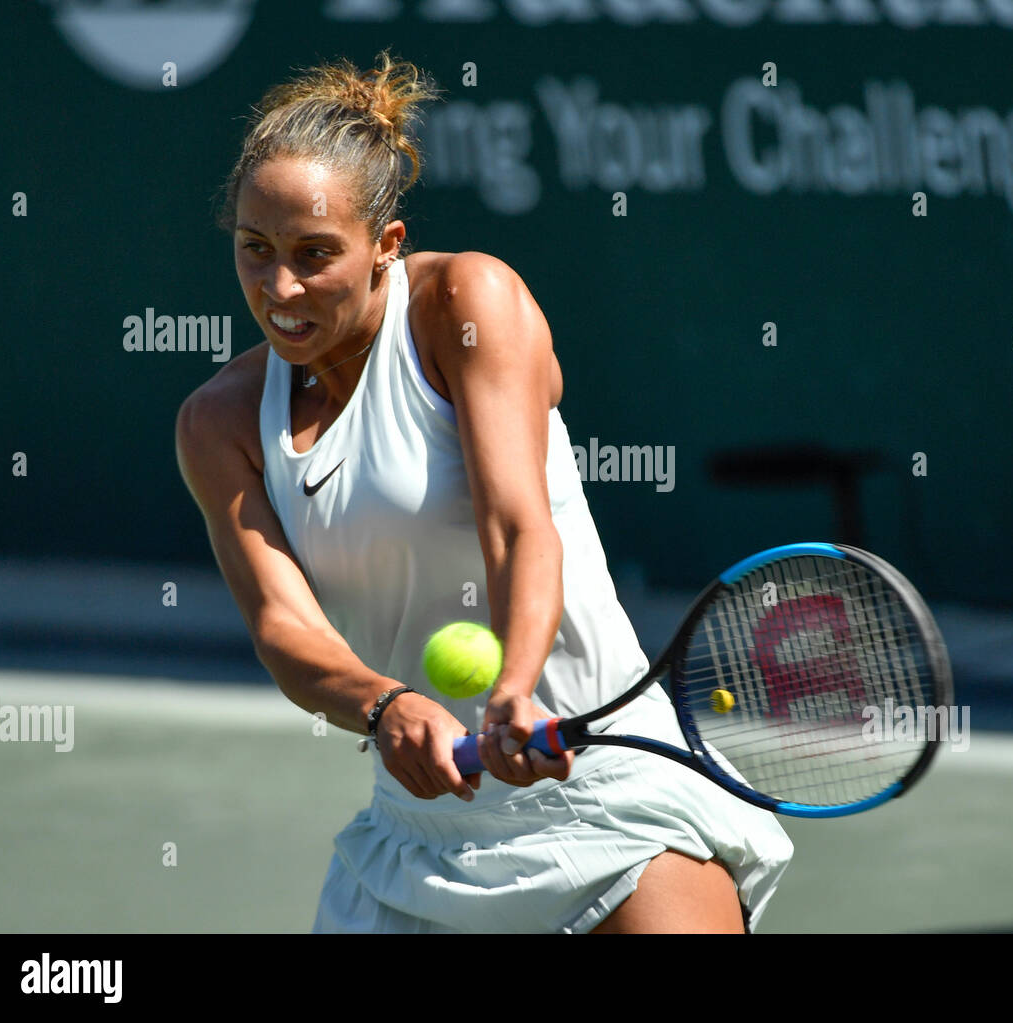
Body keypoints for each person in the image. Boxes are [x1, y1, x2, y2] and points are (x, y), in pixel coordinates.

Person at [175, 51, 792, 933]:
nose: (280, 289)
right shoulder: (219, 422)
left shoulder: (466, 302)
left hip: (603, 795)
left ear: (387, 246)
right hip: (416, 837)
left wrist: (514, 686)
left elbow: (516, 524)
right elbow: (284, 626)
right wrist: (385, 704)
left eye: (316, 255)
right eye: (255, 251)